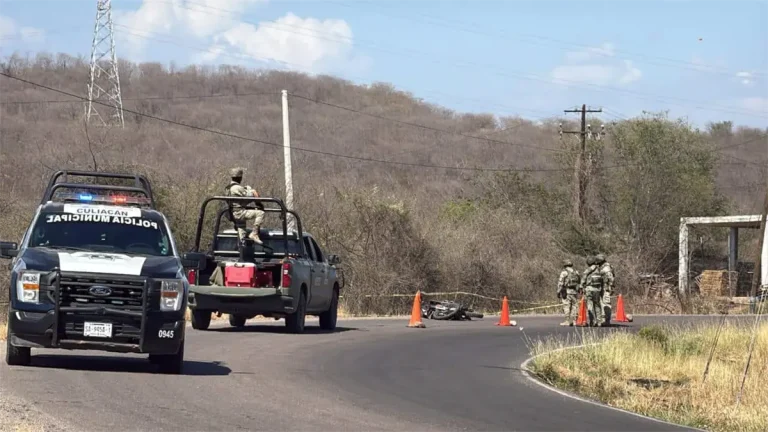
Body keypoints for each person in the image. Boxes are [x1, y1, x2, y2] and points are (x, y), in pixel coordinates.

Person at [225, 167, 264, 245]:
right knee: (260, 213)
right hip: (240, 213)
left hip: (232, 213)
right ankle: (254, 233)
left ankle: (242, 245)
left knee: (241, 228)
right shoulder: (237, 188)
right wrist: (253, 192)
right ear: (240, 177)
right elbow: (252, 195)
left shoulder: (228, 188)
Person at [580, 255, 604, 327]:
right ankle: (599, 321)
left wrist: (581, 287)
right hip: (597, 289)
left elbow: (583, 279)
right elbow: (602, 280)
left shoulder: (588, 270)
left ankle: (592, 321)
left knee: (590, 305)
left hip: (589, 289)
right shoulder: (599, 270)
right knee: (597, 305)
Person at [557, 259, 581, 326]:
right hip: (574, 292)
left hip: (566, 291)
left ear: (565, 265)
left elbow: (560, 283)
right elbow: (579, 282)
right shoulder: (576, 272)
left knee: (566, 306)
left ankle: (567, 321)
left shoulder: (564, 272)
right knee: (575, 306)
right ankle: (574, 321)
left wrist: (558, 291)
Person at [595, 253, 615, 326]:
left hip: (606, 288)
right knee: (601, 303)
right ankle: (603, 320)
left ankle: (607, 321)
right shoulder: (601, 267)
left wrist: (611, 287)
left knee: (606, 304)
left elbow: (611, 279)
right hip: (601, 287)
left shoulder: (606, 268)